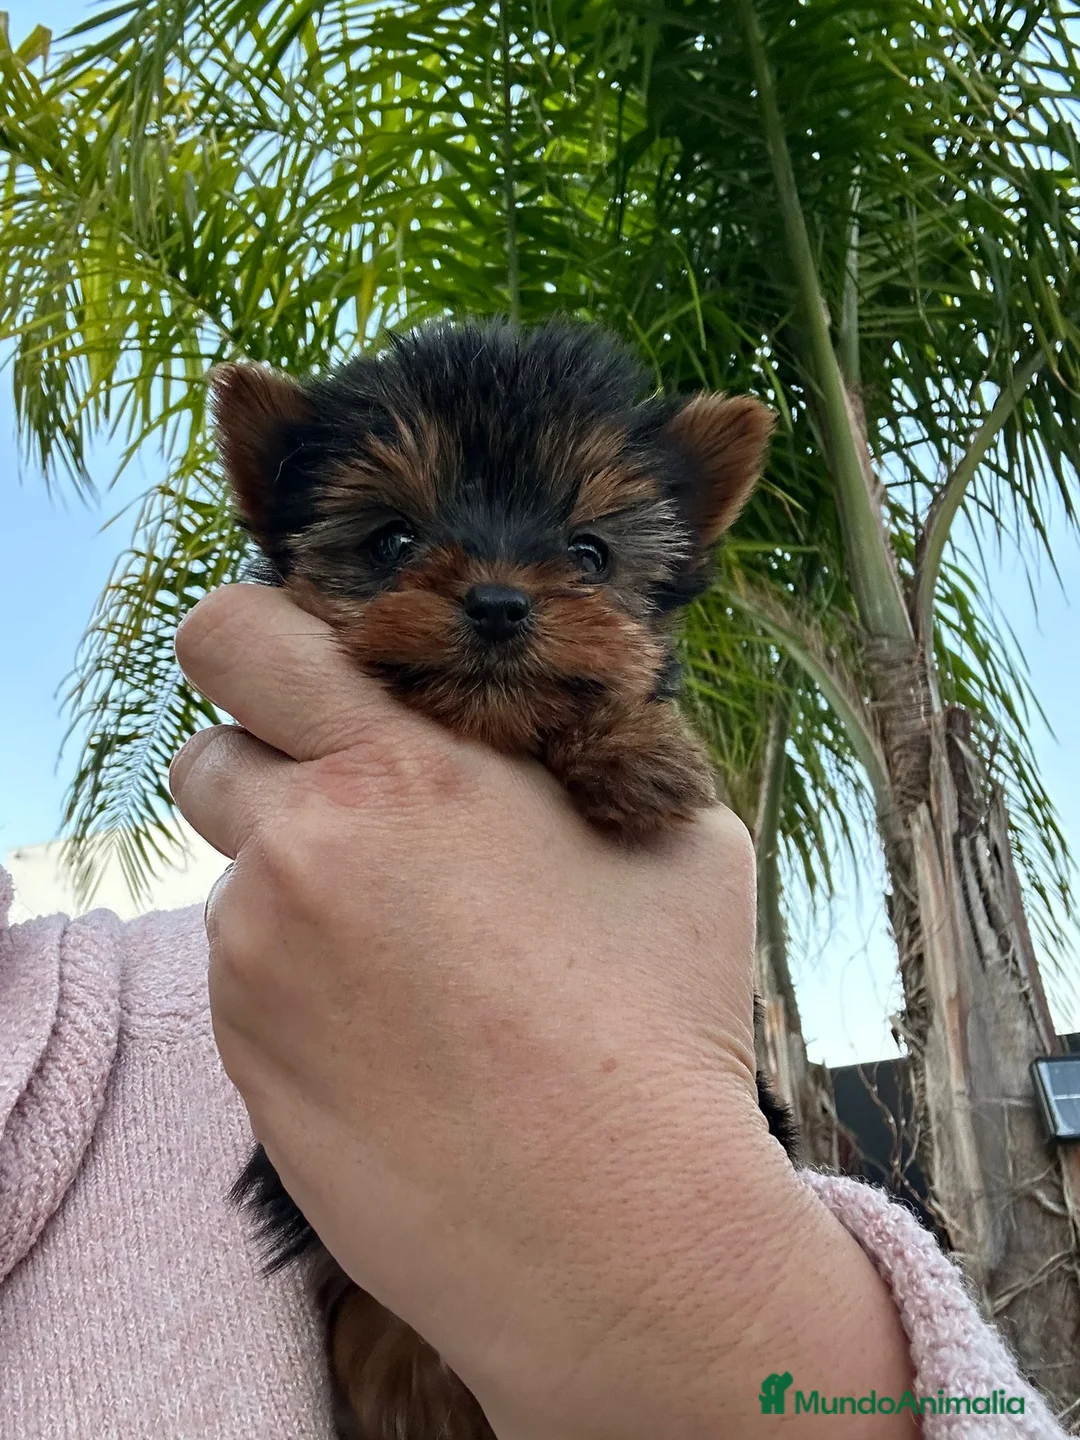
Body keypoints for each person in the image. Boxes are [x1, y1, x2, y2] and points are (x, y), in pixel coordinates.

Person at [0, 582, 1066, 1438]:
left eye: (589, 553)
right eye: (395, 539)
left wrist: (733, 1321)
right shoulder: (231, 991)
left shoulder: (228, 981)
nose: (499, 588)